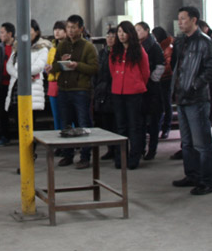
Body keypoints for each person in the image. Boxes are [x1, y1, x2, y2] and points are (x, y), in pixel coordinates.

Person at [170, 6, 212, 196]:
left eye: (183, 19)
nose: (180, 22)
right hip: (182, 97)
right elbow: (178, 67)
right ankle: (192, 175)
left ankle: (207, 181)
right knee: (187, 143)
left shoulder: (204, 42)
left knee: (202, 144)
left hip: (196, 99)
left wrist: (194, 85)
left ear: (194, 20)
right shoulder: (181, 41)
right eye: (179, 19)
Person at [52, 14, 98, 169]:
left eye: (73, 27)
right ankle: (68, 155)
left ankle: (85, 157)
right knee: (66, 125)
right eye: (68, 27)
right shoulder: (62, 45)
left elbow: (94, 68)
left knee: (83, 124)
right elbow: (55, 65)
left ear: (81, 29)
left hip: (80, 90)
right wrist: (60, 64)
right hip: (64, 90)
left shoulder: (88, 47)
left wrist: (77, 65)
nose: (70, 30)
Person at [109, 21, 151, 170]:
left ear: (130, 33)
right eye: (119, 32)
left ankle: (134, 158)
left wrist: (136, 83)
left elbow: (145, 72)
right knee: (120, 126)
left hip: (134, 93)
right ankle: (121, 158)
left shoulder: (139, 50)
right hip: (118, 92)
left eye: (124, 32)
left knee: (134, 126)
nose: (121, 35)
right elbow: (112, 70)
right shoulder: (115, 51)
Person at [4, 19, 50, 117]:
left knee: (30, 121)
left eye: (29, 29)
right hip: (16, 88)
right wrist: (19, 75)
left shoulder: (42, 48)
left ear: (36, 32)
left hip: (33, 90)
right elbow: (9, 66)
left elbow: (38, 67)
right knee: (17, 120)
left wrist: (21, 72)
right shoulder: (18, 46)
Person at [136, 22, 165, 160]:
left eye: (139, 30)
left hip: (152, 89)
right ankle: (140, 148)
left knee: (153, 122)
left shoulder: (154, 46)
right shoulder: (136, 46)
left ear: (147, 30)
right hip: (140, 88)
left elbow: (161, 65)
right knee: (140, 122)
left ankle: (152, 149)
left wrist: (151, 79)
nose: (136, 32)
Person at [94, 28, 118, 160]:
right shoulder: (103, 52)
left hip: (114, 91)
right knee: (106, 123)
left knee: (116, 123)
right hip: (102, 92)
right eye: (108, 36)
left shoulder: (119, 53)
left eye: (113, 36)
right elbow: (97, 71)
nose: (109, 39)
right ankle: (110, 149)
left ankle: (118, 150)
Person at [0, 22, 16, 146]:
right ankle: (5, 137)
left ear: (10, 34)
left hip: (16, 85)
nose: (0, 35)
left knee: (16, 110)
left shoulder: (18, 47)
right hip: (3, 84)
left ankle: (21, 136)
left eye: (2, 33)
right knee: (3, 112)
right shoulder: (0, 48)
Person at [151, 26, 174, 139]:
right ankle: (158, 127)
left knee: (166, 104)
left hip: (166, 79)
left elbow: (167, 65)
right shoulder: (157, 46)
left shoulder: (168, 47)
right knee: (158, 105)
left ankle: (166, 128)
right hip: (158, 79)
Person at [45, 21, 66, 130]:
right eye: (55, 29)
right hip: (53, 84)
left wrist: (54, 67)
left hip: (65, 83)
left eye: (60, 29)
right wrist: (47, 69)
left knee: (67, 116)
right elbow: (48, 65)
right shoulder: (52, 49)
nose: (56, 32)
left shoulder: (70, 47)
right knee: (56, 116)